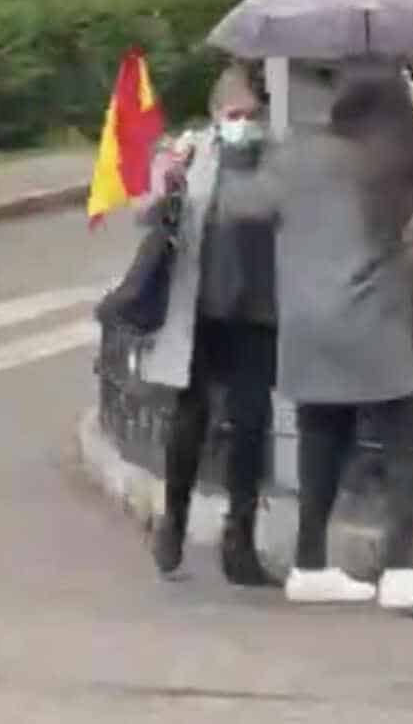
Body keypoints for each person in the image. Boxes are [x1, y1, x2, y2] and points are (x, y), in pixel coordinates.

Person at [195, 69, 413, 615]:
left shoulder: (297, 156)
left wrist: (236, 149)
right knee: (404, 432)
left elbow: (238, 209)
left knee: (322, 433)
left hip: (305, 321)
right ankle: (400, 567)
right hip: (368, 316)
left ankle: (310, 563)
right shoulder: (390, 163)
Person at [141, 66, 277, 586]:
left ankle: (239, 538)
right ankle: (173, 517)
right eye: (232, 115)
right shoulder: (194, 153)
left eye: (250, 115)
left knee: (250, 423)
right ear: (217, 115)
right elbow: (146, 211)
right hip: (201, 308)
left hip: (259, 309)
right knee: (190, 415)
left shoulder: (272, 158)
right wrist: (167, 182)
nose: (241, 123)